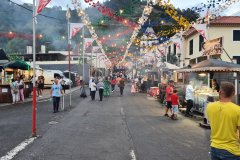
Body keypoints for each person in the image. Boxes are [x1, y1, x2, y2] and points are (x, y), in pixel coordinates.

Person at [206, 82, 240, 159]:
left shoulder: (210, 107)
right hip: (232, 150)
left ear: (220, 92)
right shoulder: (237, 110)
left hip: (214, 147)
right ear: (233, 93)